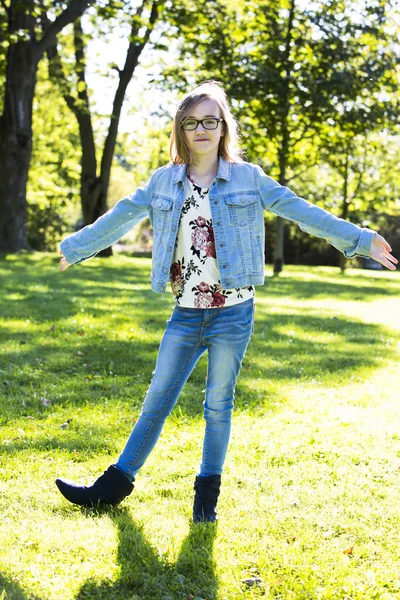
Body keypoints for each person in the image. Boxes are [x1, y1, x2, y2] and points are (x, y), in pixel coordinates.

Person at [56, 80, 397, 522]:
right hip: (185, 314)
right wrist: (76, 247)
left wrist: (359, 239)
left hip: (233, 314)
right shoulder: (165, 180)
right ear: (181, 129)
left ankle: (205, 497)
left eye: (210, 121)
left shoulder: (247, 178)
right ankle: (112, 487)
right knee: (157, 399)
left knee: (218, 404)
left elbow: (301, 210)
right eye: (192, 122)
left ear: (222, 128)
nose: (201, 129)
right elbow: (122, 214)